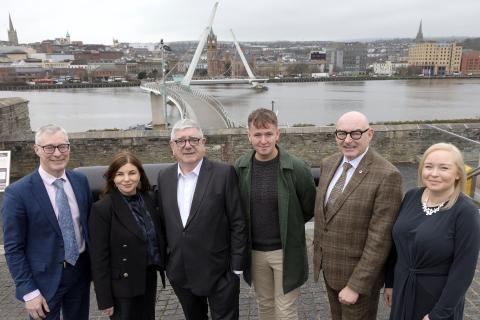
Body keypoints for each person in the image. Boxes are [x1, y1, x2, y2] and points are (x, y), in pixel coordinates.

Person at [313, 111, 403, 320]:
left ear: (369, 134)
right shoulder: (328, 164)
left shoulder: (387, 175)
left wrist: (356, 285)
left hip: (358, 280)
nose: (347, 140)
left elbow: (380, 239)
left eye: (355, 133)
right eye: (341, 133)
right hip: (330, 270)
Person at [156, 118, 247, 320]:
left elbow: (237, 221)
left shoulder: (224, 174)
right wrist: (168, 263)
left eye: (193, 140)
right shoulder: (164, 177)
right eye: (181, 141)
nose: (188, 145)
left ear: (203, 143)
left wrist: (236, 268)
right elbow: (164, 222)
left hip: (220, 271)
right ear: (173, 146)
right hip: (181, 271)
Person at [2, 124, 93, 320]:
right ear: (36, 150)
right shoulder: (18, 193)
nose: (57, 153)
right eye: (49, 148)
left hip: (79, 273)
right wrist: (29, 291)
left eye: (63, 146)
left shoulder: (80, 181)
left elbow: (88, 227)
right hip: (43, 281)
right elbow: (13, 247)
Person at [234, 108, 316, 319]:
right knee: (265, 305)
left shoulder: (296, 168)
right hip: (255, 253)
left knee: (286, 310)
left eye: (268, 134)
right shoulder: (240, 168)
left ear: (277, 134)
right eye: (257, 134)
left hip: (286, 252)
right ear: (248, 135)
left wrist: (290, 223)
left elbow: (308, 207)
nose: (263, 140)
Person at [384, 143, 480, 320]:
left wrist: (438, 314)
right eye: (428, 166)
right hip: (403, 288)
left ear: (458, 173)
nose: (434, 173)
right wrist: (390, 282)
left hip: (437, 298)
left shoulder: (466, 211)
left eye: (444, 168)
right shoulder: (411, 196)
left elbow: (464, 270)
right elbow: (397, 246)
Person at [89, 151, 166, 320]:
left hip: (148, 278)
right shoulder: (102, 209)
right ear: (112, 178)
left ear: (140, 175)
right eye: (120, 174)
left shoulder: (148, 199)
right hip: (122, 287)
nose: (126, 179)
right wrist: (104, 299)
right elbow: (99, 258)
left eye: (132, 173)